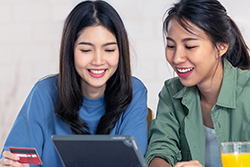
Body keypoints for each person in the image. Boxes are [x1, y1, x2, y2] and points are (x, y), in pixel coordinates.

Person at [0, 0, 148, 166]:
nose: (98, 61)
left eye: (109, 50)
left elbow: (130, 163)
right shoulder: (44, 93)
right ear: (70, 50)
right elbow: (17, 156)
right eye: (86, 50)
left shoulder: (134, 91)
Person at [145, 0, 250, 166]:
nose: (177, 58)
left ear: (221, 46)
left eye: (190, 46)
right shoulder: (172, 93)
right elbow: (160, 150)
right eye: (171, 46)